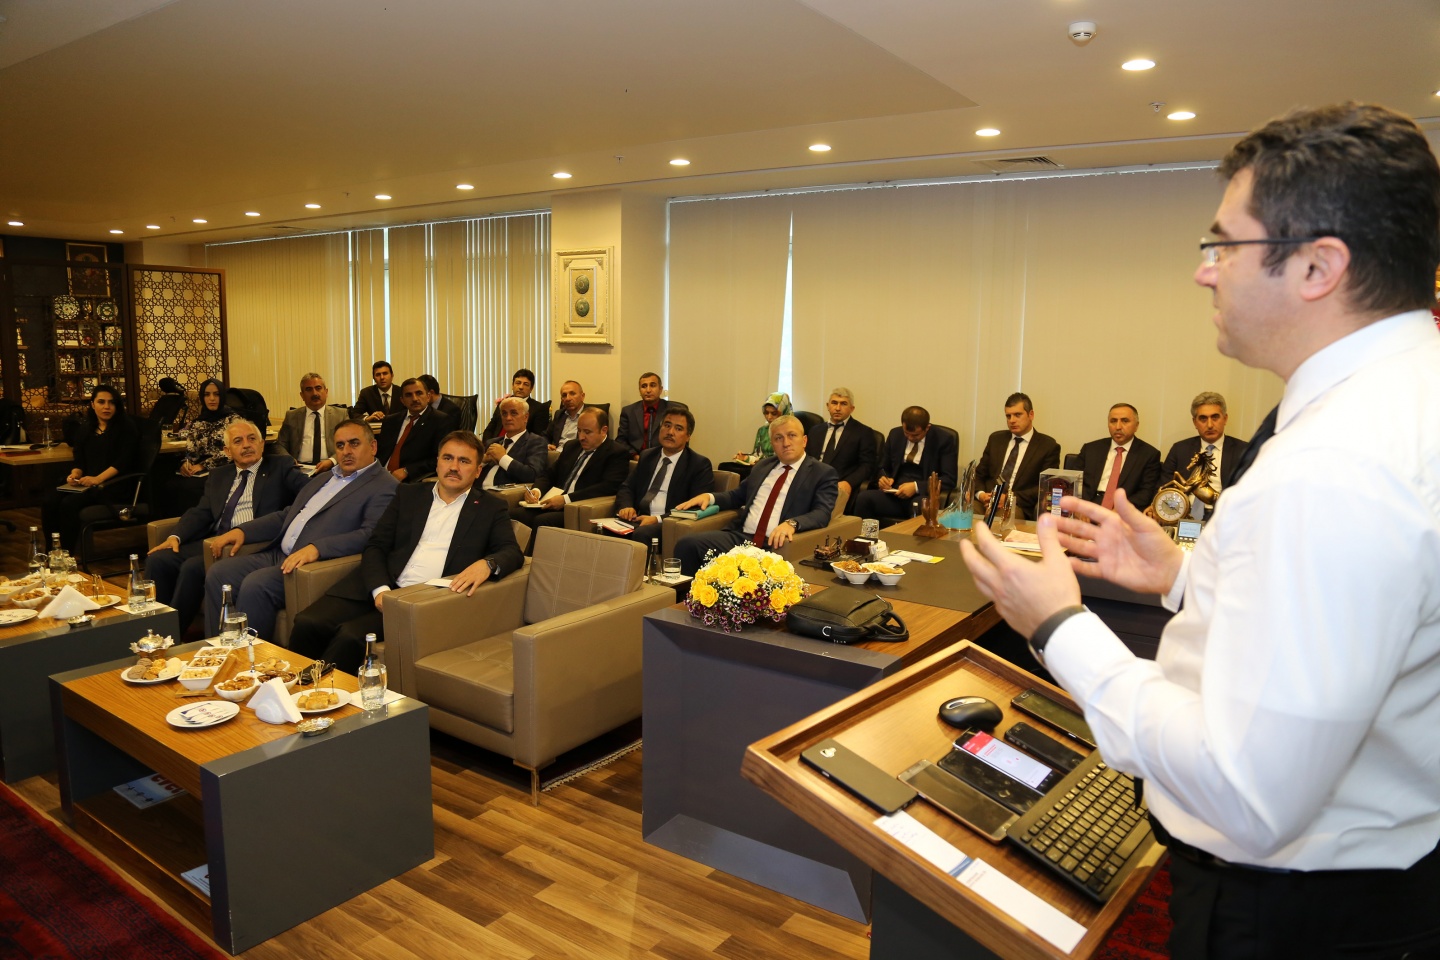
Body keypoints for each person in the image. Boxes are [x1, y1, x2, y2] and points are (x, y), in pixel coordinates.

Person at [959, 103, 1440, 959]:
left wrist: (1058, 624)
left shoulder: (1336, 465)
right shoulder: (1402, 394)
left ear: (1319, 266)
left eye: (1224, 246)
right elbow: (1351, 622)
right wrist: (1185, 577)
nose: (1203, 273)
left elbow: (1248, 790)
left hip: (1293, 915)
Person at [286, 432, 524, 674]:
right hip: (377, 585)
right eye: (448, 458)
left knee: (351, 636)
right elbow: (377, 544)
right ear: (437, 462)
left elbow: (511, 551)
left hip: (418, 600)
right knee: (308, 622)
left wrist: (487, 564)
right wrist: (380, 590)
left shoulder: (490, 507)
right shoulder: (409, 494)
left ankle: (317, 691)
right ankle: (288, 685)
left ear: (478, 471)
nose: (454, 467)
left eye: (464, 461)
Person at [204, 419, 397, 639]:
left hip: (310, 565)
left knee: (256, 585)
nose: (346, 451)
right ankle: (216, 648)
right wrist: (243, 531)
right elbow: (288, 514)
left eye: (354, 443)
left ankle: (247, 656)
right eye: (340, 445)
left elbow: (370, 534)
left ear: (373, 446)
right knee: (218, 573)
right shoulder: (326, 478)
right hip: (278, 553)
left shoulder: (384, 486)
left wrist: (318, 548)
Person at [146, 418, 306, 635]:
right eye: (238, 441)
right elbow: (202, 511)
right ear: (227, 451)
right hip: (215, 540)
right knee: (159, 559)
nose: (246, 445)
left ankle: (169, 635)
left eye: (252, 439)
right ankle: (152, 630)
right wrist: (176, 536)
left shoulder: (280, 467)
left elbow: (309, 493)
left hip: (249, 543)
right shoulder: (219, 475)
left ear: (262, 445)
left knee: (193, 568)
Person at [673, 414, 839, 576]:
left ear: (804, 440)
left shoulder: (822, 473)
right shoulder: (763, 466)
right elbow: (737, 496)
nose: (786, 443)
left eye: (792, 435)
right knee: (687, 545)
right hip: (742, 537)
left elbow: (822, 513)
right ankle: (692, 594)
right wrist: (710, 497)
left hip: (775, 544)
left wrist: (793, 523)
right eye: (778, 438)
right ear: (772, 444)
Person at [42, 384, 138, 551]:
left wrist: (97, 479)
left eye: (111, 402)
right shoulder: (86, 428)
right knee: (49, 501)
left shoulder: (126, 427)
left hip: (113, 485)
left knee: (68, 504)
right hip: (87, 483)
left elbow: (124, 462)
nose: (106, 407)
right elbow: (79, 461)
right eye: (101, 402)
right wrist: (75, 474)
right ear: (93, 404)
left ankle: (67, 553)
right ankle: (52, 552)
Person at [516, 406, 629, 548]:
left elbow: (607, 487)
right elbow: (549, 474)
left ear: (603, 430)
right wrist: (537, 491)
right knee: (515, 514)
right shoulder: (572, 446)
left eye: (587, 432)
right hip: (552, 501)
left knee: (542, 521)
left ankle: (533, 559)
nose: (581, 437)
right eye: (579, 430)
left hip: (576, 507)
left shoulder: (616, 453)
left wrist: (565, 499)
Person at [613, 403, 713, 551]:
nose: (670, 432)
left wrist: (657, 519)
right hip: (638, 518)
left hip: (667, 523)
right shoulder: (647, 456)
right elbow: (627, 487)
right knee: (603, 530)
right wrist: (626, 506)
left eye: (678, 428)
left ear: (688, 436)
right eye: (667, 425)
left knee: (642, 534)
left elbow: (695, 507)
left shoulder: (698, 464)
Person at [851, 406, 958, 523]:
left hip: (922, 495)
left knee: (920, 505)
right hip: (895, 492)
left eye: (915, 435)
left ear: (927, 428)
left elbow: (949, 479)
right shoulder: (895, 434)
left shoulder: (943, 440)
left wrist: (916, 487)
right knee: (864, 498)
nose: (910, 438)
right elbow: (882, 467)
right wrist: (884, 478)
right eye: (907, 433)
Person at [1159, 391, 1250, 518]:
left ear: (1225, 419)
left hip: (1225, 515)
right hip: (1184, 514)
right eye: (1203, 419)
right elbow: (1164, 486)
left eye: (1215, 417)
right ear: (1195, 422)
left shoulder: (1243, 450)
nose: (1210, 425)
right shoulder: (1180, 449)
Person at [972, 392, 1061, 520]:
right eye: (1008, 416)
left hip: (1017, 505)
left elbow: (1045, 488)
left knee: (1000, 520)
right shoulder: (996, 439)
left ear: (1031, 415)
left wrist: (1009, 498)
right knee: (965, 513)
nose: (1012, 420)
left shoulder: (1048, 446)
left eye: (1017, 415)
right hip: (986, 501)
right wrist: (981, 494)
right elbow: (979, 474)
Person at [1077, 403, 1162, 510]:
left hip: (1123, 507)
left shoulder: (1149, 454)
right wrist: (1080, 506)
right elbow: (1074, 482)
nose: (1118, 427)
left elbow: (1146, 493)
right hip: (1090, 504)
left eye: (1125, 421)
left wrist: (1121, 509)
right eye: (1113, 421)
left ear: (1136, 426)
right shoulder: (1090, 449)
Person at [806, 387, 877, 506]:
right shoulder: (815, 431)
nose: (838, 408)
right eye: (834, 403)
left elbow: (867, 466)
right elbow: (807, 458)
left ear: (852, 408)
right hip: (812, 482)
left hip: (839, 484)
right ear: (828, 406)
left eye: (843, 404)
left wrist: (849, 482)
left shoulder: (863, 432)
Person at [375, 377, 452, 482]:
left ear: (428, 396)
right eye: (408, 395)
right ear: (402, 400)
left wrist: (407, 471)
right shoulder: (390, 420)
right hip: (380, 475)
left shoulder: (441, 421)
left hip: (410, 479)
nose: (415, 399)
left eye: (419, 393)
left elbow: (440, 458)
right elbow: (380, 452)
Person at [273, 372, 347, 471]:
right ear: (302, 395)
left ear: (326, 392)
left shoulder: (341, 415)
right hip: (299, 468)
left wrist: (332, 461)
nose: (314, 393)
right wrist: (288, 460)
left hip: (331, 468)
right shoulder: (291, 416)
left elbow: (347, 444)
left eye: (318, 388)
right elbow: (280, 445)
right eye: (309, 389)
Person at [478, 397, 549, 492]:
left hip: (504, 495)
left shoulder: (536, 442)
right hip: (476, 492)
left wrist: (502, 458)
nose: (508, 418)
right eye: (504, 414)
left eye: (514, 413)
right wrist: (483, 461)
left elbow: (532, 475)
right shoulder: (492, 442)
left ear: (526, 417)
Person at [175, 378, 237, 476]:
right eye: (207, 395)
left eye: (217, 394)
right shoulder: (198, 423)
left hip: (225, 470)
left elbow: (234, 451)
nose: (212, 398)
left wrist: (203, 465)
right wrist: (186, 463)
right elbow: (191, 450)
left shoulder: (234, 421)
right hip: (199, 472)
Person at [481, 368, 549, 440]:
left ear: (531, 388)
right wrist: (489, 444)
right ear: (512, 385)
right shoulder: (504, 404)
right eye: (518, 383)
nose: (521, 387)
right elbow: (489, 430)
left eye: (526, 384)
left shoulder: (539, 408)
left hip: (520, 445)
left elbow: (537, 437)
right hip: (496, 442)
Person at [616, 371, 672, 459]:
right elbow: (620, 440)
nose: (648, 390)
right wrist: (635, 456)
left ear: (660, 389)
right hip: (636, 459)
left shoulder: (671, 410)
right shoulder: (628, 411)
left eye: (652, 385)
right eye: (644, 386)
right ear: (639, 390)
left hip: (664, 458)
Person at [546, 380, 586, 450]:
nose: (568, 398)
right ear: (562, 399)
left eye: (572, 394)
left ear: (582, 396)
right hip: (555, 453)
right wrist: (547, 444)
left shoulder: (590, 416)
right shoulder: (559, 414)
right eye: (564, 395)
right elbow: (546, 435)